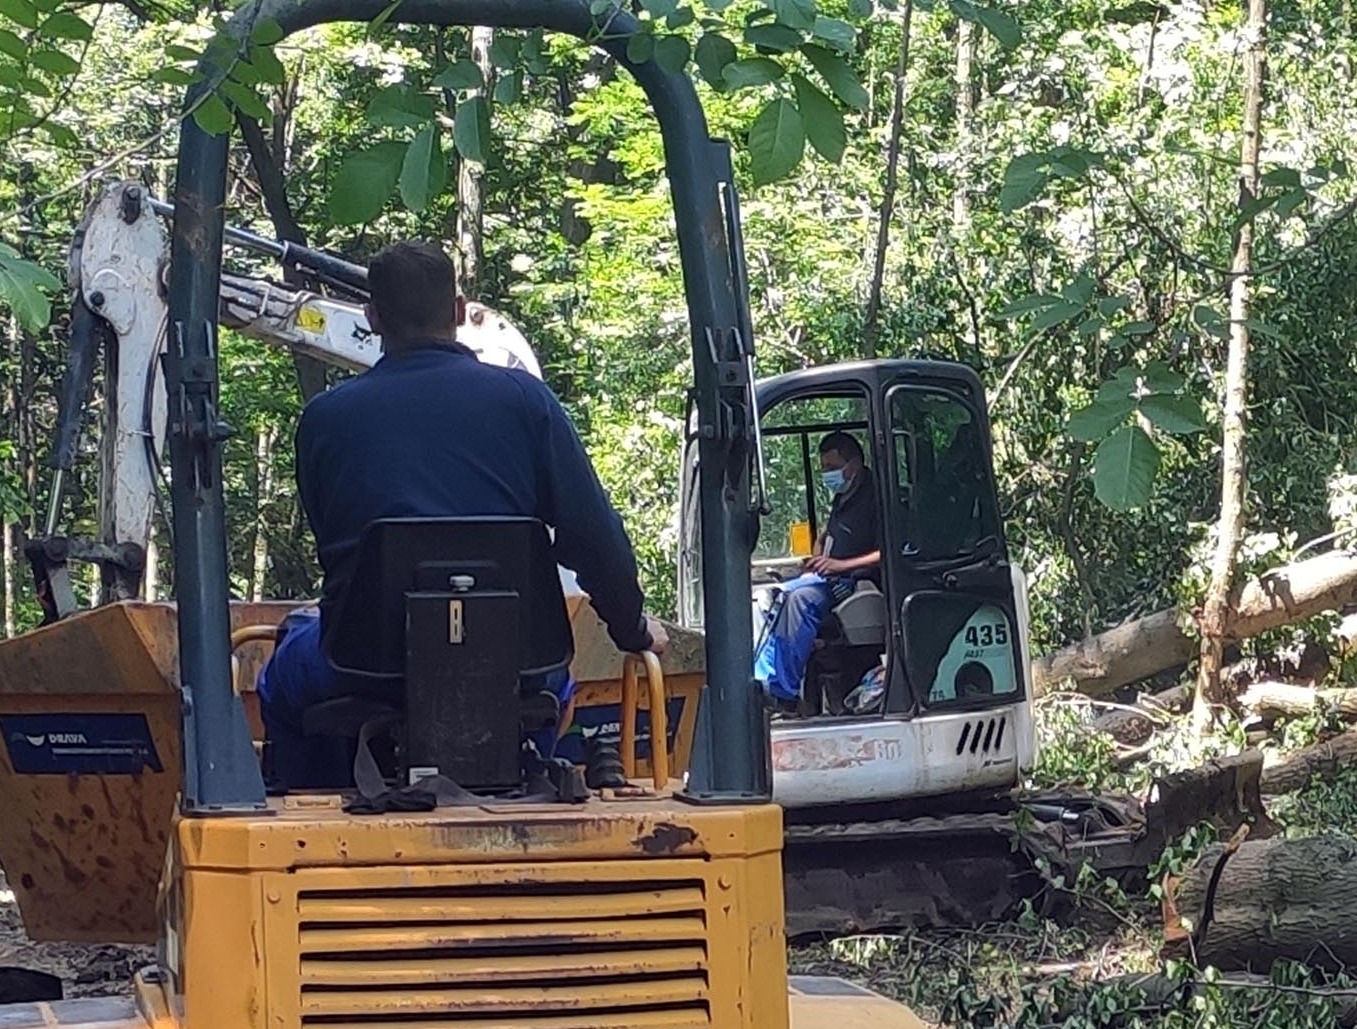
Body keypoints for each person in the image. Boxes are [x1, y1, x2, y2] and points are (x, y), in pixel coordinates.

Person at [254, 238, 661, 787]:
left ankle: (315, 805)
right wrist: (631, 631)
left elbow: (335, 544)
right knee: (556, 683)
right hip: (515, 664)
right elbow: (595, 539)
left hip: (365, 665)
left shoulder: (325, 419)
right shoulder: (528, 404)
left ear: (372, 317)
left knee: (279, 679)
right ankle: (522, 781)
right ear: (460, 311)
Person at [753, 426, 885, 708]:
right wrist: (815, 561)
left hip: (855, 581)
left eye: (832, 467)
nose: (827, 474)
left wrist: (840, 565)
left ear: (853, 465)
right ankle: (765, 680)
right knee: (767, 597)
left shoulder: (878, 497)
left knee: (799, 601)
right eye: (823, 467)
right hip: (827, 576)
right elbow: (827, 534)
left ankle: (786, 694)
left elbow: (888, 552)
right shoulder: (843, 498)